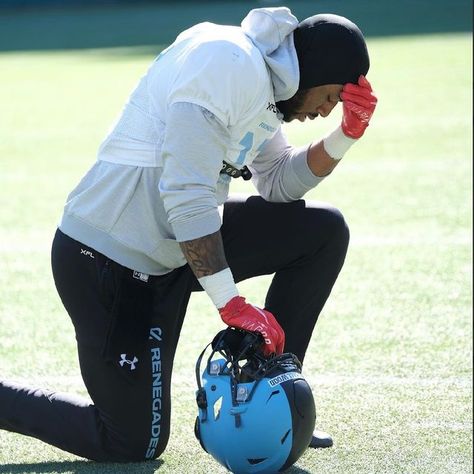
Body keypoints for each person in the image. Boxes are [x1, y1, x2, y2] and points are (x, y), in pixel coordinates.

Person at [0, 6, 377, 463]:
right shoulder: (228, 64)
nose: (325, 111)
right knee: (131, 443)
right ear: (317, 72)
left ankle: (277, 398)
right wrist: (231, 302)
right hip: (109, 261)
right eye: (333, 97)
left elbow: (277, 180)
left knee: (321, 231)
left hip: (175, 250)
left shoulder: (265, 82)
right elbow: (185, 196)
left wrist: (345, 136)